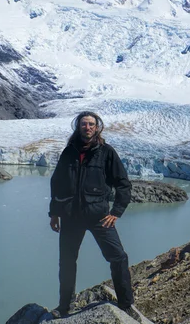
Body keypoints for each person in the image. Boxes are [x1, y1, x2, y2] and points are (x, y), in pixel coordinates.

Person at [48, 111, 139, 320]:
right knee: (67, 261)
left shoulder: (106, 153)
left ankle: (126, 305)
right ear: (77, 127)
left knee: (118, 257)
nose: (87, 128)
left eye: (91, 124)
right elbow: (57, 183)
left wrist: (116, 212)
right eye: (83, 124)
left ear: (97, 128)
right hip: (71, 217)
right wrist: (54, 213)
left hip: (99, 217)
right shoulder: (69, 152)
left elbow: (123, 184)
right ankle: (64, 307)